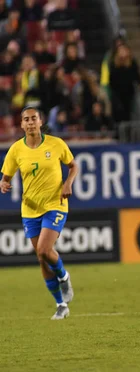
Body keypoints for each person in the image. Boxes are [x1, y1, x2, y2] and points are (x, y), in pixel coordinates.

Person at [0, 106, 78, 320]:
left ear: (41, 121)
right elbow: (5, 177)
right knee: (42, 259)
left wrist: (68, 183)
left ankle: (64, 276)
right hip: (29, 209)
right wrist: (3, 184)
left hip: (56, 204)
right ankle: (61, 305)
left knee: (44, 249)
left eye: (34, 118)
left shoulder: (56, 144)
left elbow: (73, 166)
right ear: (22, 124)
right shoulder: (16, 150)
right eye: (26, 119)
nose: (31, 122)